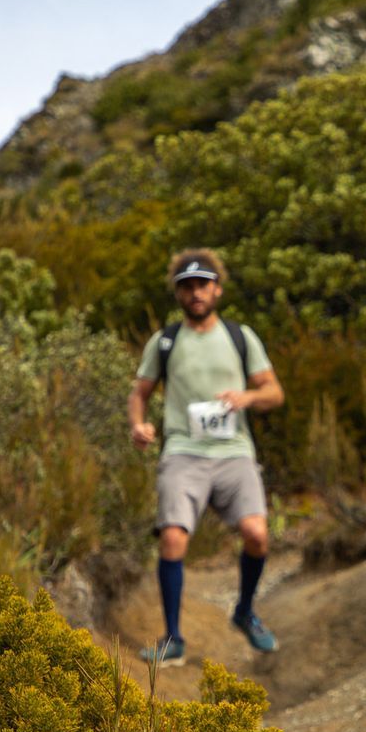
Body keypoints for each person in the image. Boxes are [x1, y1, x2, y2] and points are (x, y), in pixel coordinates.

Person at [128, 248, 286, 663]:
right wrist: (139, 425)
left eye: (202, 284)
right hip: (183, 451)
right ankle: (173, 639)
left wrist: (247, 396)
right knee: (173, 536)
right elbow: (140, 392)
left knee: (257, 534)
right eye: (187, 287)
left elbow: (275, 392)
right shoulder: (165, 341)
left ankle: (245, 611)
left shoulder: (240, 336)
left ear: (217, 289)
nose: (195, 293)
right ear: (178, 294)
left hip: (234, 452)